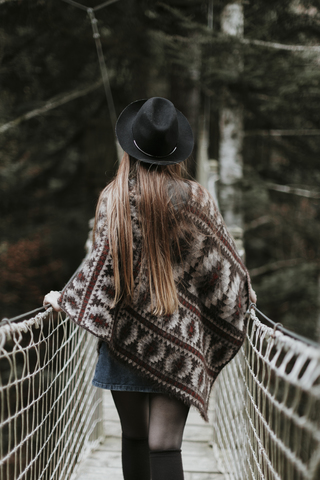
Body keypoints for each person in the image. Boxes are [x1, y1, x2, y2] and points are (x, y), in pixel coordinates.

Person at [44, 97, 256, 480]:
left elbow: (100, 268)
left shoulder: (114, 198)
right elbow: (224, 273)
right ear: (176, 151)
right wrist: (243, 298)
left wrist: (66, 298)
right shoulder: (198, 200)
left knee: (135, 438)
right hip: (182, 343)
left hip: (124, 338)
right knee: (166, 445)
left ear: (131, 147)